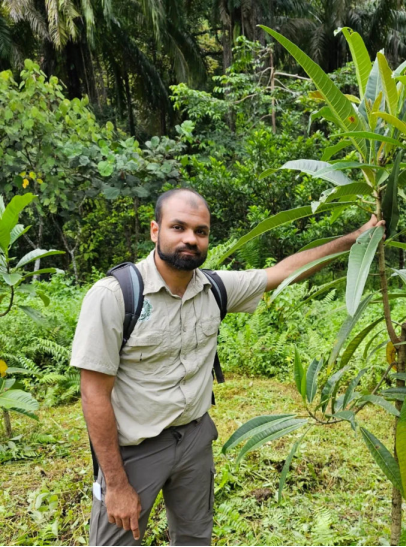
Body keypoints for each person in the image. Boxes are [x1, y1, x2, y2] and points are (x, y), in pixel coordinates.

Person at [70, 187, 383, 546]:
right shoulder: (115, 295)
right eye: (178, 227)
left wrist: (353, 240)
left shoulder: (214, 288)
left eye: (200, 232)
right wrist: (116, 483)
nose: (190, 239)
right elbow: (93, 394)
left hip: (194, 439)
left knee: (195, 538)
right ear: (155, 231)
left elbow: (283, 272)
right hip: (134, 451)